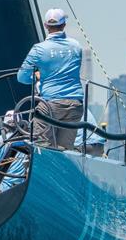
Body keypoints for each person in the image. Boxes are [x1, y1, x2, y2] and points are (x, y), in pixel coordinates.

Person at [17, 8, 83, 149]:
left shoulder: (39, 49)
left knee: (42, 147)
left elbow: (22, 77)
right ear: (64, 24)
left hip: (51, 105)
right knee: (65, 151)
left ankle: (39, 170)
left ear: (46, 26)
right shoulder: (76, 46)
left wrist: (36, 77)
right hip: (75, 104)